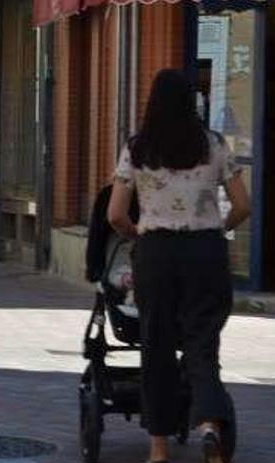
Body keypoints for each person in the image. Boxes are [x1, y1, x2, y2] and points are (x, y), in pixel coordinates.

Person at [107, 69, 250, 463]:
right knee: (202, 345)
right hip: (204, 254)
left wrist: (141, 235)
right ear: (194, 102)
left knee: (156, 348)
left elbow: (116, 214)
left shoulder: (137, 148)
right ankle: (208, 425)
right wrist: (216, 230)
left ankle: (158, 448)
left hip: (156, 255)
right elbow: (243, 205)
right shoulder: (214, 145)